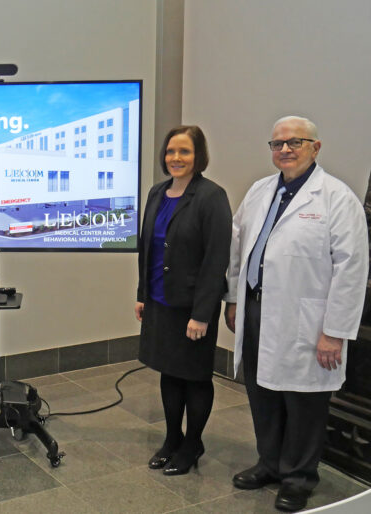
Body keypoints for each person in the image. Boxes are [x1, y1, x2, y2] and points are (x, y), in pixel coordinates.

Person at [225, 116, 368, 512]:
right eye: (276, 144)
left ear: (315, 148)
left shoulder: (336, 198)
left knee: (304, 402)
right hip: (256, 309)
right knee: (262, 392)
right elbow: (238, 247)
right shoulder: (259, 191)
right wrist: (234, 299)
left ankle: (299, 477)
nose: (284, 150)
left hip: (308, 320)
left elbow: (352, 268)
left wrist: (334, 331)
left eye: (294, 142)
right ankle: (269, 463)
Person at [135, 125, 232, 476]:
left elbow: (216, 258)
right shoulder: (157, 193)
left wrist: (203, 314)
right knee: (169, 373)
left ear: (198, 156)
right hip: (160, 301)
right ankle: (172, 438)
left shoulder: (211, 196)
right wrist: (142, 295)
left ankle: (193, 443)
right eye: (171, 151)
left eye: (185, 152)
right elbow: (147, 247)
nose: (176, 158)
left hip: (192, 308)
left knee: (194, 377)